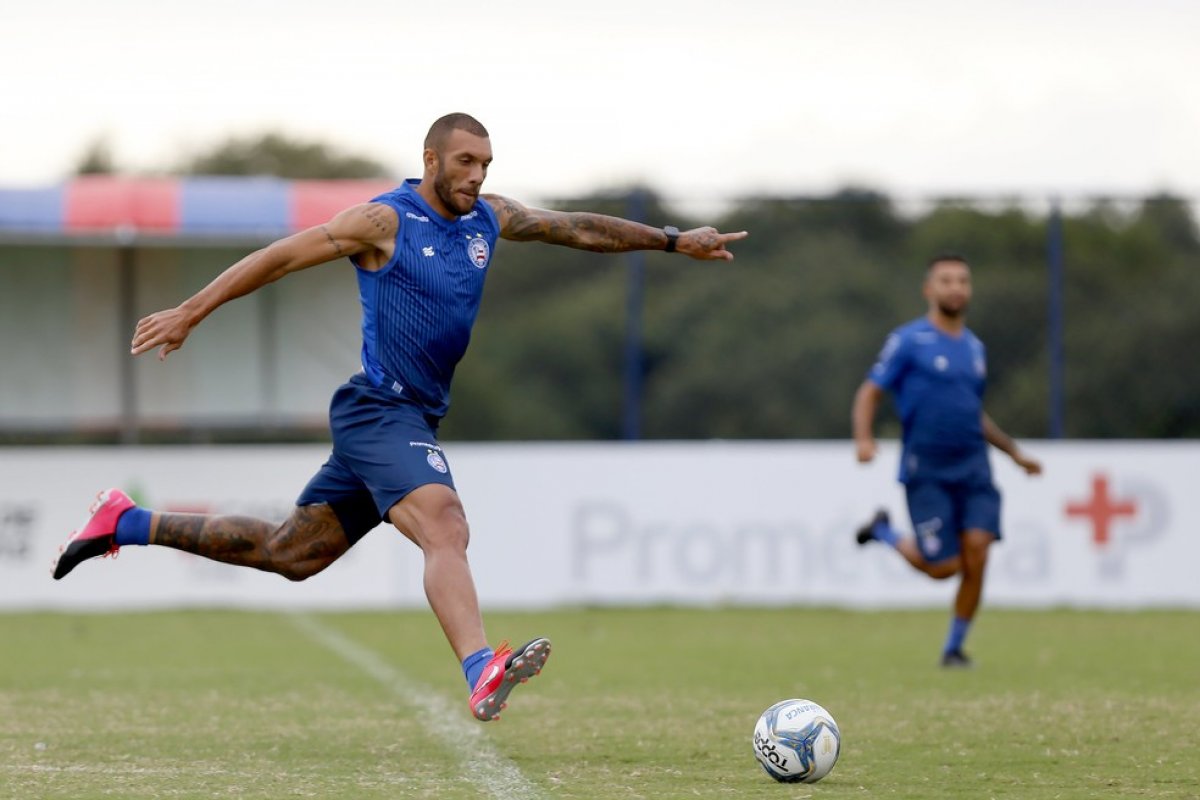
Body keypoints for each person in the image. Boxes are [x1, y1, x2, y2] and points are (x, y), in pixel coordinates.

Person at [52, 112, 749, 719]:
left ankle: (126, 520)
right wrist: (190, 311)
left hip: (403, 419)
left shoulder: (490, 217)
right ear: (431, 161)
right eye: (465, 162)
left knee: (290, 554)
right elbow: (279, 258)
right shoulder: (383, 220)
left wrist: (670, 239)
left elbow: (574, 229)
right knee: (446, 521)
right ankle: (481, 669)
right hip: (380, 410)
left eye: (485, 164)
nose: (476, 175)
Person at [851, 253, 1041, 668]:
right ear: (929, 289)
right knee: (944, 567)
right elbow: (870, 392)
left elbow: (972, 412)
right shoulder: (908, 340)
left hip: (974, 467)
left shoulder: (975, 349)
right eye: (946, 280)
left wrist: (1014, 454)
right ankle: (883, 532)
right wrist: (863, 439)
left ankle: (954, 648)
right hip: (927, 470)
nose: (956, 288)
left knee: (977, 550)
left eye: (963, 281)